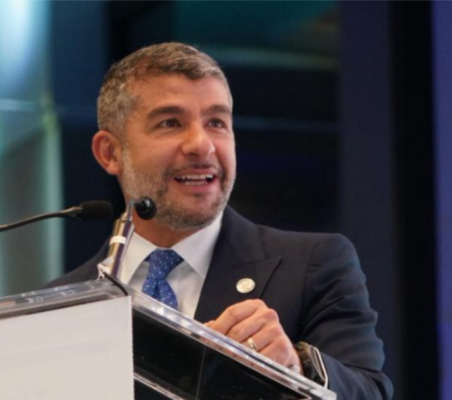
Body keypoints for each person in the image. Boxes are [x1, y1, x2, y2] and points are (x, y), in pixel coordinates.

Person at [46, 42, 393, 399]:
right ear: (110, 153)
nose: (202, 145)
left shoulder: (313, 266)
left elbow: (370, 392)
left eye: (216, 122)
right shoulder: (57, 308)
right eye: (170, 123)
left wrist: (298, 368)